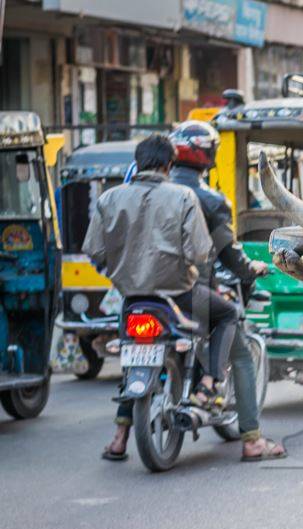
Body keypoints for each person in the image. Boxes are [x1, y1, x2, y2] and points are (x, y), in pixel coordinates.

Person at [84, 134, 238, 459]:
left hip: (132, 300)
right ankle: (210, 383)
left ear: (137, 163)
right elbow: (198, 251)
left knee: (133, 359)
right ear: (169, 164)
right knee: (227, 315)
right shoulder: (183, 197)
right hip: (179, 296)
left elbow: (94, 252)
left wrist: (119, 270)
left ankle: (119, 439)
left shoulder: (109, 199)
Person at [168, 120, 286, 460]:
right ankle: (251, 439)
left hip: (139, 292)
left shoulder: (149, 192)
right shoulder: (207, 199)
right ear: (208, 156)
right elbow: (228, 253)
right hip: (189, 292)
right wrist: (251, 269)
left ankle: (120, 430)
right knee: (238, 343)